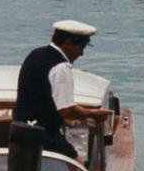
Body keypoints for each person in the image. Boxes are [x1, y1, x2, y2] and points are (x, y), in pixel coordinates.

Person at [13, 19, 110, 159]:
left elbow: (41, 98)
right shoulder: (60, 68)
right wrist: (93, 114)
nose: (81, 54)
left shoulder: (36, 54)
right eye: (81, 47)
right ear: (68, 42)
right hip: (43, 135)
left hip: (21, 130)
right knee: (77, 166)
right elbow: (67, 110)